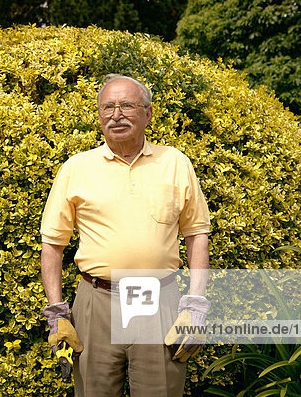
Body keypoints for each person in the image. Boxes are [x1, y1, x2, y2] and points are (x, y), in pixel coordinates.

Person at [40, 74, 211, 397]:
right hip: (96, 302)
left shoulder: (175, 162)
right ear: (99, 115)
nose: (116, 115)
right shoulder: (76, 168)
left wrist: (195, 304)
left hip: (158, 300)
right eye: (108, 107)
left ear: (147, 113)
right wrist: (57, 312)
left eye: (127, 106)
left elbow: (196, 234)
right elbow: (53, 244)